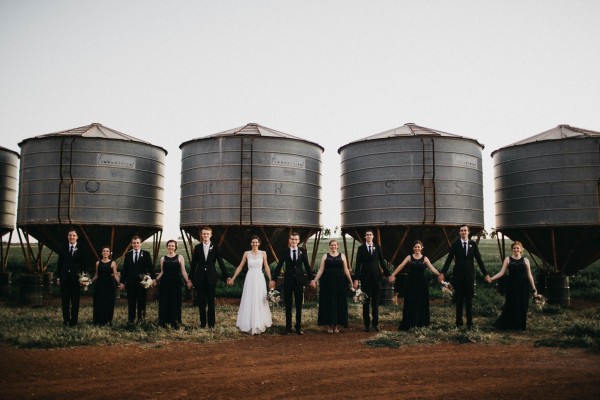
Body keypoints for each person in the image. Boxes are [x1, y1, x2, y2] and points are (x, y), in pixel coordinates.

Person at [438, 225, 491, 329]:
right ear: (459, 233)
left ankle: (470, 324)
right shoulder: (455, 244)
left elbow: (479, 260)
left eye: (465, 230)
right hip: (458, 276)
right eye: (461, 231)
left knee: (469, 300)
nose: (463, 232)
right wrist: (442, 273)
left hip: (470, 276)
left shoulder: (473, 244)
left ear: (468, 232)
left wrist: (486, 274)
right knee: (458, 300)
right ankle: (458, 323)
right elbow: (449, 259)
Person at [389, 240, 441, 330]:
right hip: (411, 283)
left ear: (421, 248)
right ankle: (410, 323)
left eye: (418, 247)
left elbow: (432, 268)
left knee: (421, 302)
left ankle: (421, 323)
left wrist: (440, 275)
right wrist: (393, 275)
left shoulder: (425, 258)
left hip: (422, 284)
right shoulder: (409, 257)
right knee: (410, 302)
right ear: (413, 248)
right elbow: (401, 266)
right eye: (415, 247)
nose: (417, 248)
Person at [270, 231, 313, 335]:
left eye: (296, 239)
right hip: (288, 282)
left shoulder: (302, 251)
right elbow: (279, 266)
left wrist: (312, 279)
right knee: (288, 305)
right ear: (289, 241)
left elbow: (307, 265)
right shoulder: (285, 251)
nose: (294, 241)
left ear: (298, 241)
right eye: (292, 239)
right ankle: (288, 328)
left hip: (299, 282)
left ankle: (298, 328)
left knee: (299, 305)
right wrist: (273, 279)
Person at [228, 235, 273, 335]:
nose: (254, 244)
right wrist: (233, 278)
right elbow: (240, 266)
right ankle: (248, 322)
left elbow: (266, 267)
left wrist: (271, 280)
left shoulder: (263, 253)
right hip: (250, 278)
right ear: (251, 243)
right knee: (249, 298)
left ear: (259, 243)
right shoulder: (246, 253)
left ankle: (259, 322)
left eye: (256, 242)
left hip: (259, 278)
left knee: (260, 298)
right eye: (253, 242)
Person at [490, 241, 538, 331]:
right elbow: (502, 272)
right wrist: (491, 279)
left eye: (517, 248)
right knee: (511, 304)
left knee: (523, 305)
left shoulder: (526, 260)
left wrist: (534, 288)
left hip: (524, 286)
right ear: (512, 249)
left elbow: (529, 275)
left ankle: (521, 327)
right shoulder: (508, 259)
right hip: (512, 286)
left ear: (521, 250)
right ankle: (510, 325)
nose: (516, 249)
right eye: (514, 248)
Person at [310, 239, 353, 334]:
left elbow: (346, 270)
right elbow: (321, 270)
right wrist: (314, 280)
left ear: (338, 246)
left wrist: (351, 281)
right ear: (329, 246)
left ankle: (336, 326)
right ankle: (329, 326)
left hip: (340, 284)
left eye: (335, 245)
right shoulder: (325, 256)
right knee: (329, 303)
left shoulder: (342, 256)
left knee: (338, 303)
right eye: (332, 245)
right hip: (327, 284)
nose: (333, 247)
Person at [190, 226, 229, 328]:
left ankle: (211, 324)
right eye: (204, 234)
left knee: (211, 301)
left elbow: (221, 263)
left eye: (207, 234)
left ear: (211, 235)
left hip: (211, 278)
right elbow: (193, 265)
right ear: (201, 235)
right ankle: (202, 324)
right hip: (200, 278)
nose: (205, 235)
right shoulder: (197, 247)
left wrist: (227, 276)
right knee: (201, 302)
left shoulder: (215, 247)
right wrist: (190, 279)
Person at [353, 229, 391, 332]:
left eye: (370, 235)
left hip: (376, 278)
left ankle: (375, 324)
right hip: (365, 278)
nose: (369, 236)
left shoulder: (377, 248)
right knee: (365, 301)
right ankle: (366, 325)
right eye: (367, 235)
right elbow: (358, 265)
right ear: (365, 237)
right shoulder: (361, 249)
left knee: (375, 302)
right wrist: (356, 279)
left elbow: (382, 262)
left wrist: (389, 275)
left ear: (373, 236)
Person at [156, 240, 192, 328]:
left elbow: (183, 271)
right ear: (167, 247)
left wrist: (188, 281)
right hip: (165, 284)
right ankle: (163, 321)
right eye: (169, 245)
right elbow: (162, 272)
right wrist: (155, 280)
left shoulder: (180, 257)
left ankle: (175, 321)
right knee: (164, 301)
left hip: (176, 283)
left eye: (172, 246)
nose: (171, 247)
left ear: (175, 247)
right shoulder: (163, 258)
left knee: (175, 301)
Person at [56, 228, 87, 327]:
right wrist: (58, 278)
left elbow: (83, 265)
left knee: (75, 301)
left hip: (76, 280)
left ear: (77, 237)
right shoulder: (63, 247)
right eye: (70, 235)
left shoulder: (82, 248)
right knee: (65, 301)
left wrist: (84, 278)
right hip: (64, 279)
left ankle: (74, 321)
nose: (71, 237)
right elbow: (59, 264)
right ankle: (66, 320)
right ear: (67, 237)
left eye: (74, 235)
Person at [121, 235, 155, 323]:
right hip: (130, 283)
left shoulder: (146, 254)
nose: (136, 244)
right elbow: (125, 269)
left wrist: (153, 278)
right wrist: (122, 282)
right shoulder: (128, 255)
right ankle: (131, 320)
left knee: (142, 302)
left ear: (140, 244)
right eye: (134, 243)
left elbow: (150, 268)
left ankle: (141, 319)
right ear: (132, 244)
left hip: (142, 283)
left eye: (137, 243)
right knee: (131, 303)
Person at [91, 246, 122, 326]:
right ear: (101, 253)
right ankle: (98, 321)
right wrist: (89, 282)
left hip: (109, 285)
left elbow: (115, 275)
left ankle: (107, 321)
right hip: (99, 285)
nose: (105, 252)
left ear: (109, 253)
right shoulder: (98, 263)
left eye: (107, 251)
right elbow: (96, 275)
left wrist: (120, 283)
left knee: (108, 303)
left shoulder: (113, 263)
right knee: (99, 302)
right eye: (104, 251)